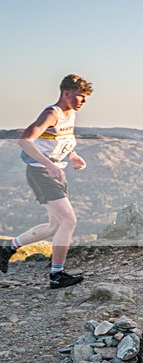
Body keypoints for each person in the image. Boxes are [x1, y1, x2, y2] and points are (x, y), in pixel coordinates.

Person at [0, 74, 92, 288]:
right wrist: (50, 165)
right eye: (81, 96)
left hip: (54, 172)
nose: (84, 102)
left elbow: (60, 140)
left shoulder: (70, 114)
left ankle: (7, 249)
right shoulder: (52, 113)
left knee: (54, 226)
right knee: (69, 221)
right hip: (41, 173)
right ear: (66, 93)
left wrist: (72, 155)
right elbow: (24, 140)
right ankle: (56, 275)